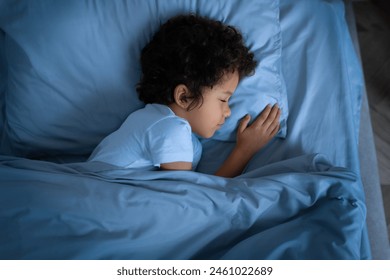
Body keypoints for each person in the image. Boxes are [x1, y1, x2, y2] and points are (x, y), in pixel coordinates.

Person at [88, 14, 281, 178]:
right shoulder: (171, 129)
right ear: (184, 97)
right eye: (223, 99)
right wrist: (244, 151)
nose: (228, 112)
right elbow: (189, 202)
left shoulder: (153, 119)